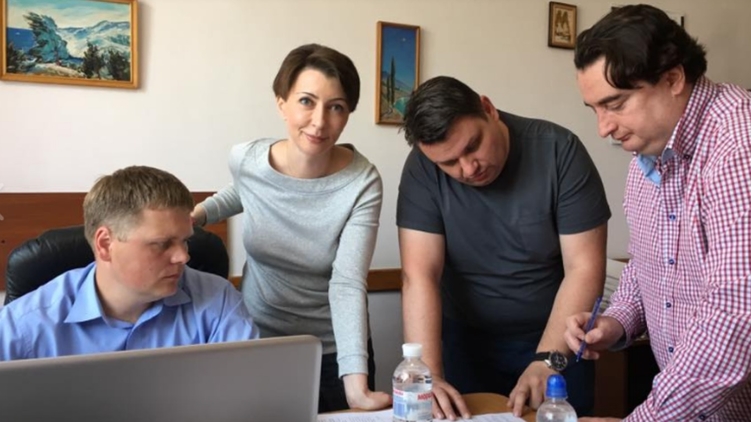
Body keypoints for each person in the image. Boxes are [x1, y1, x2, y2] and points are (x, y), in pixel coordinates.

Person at [565, 4, 751, 422]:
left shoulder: (739, 144)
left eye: (615, 104)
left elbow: (736, 315)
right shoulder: (647, 157)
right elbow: (646, 264)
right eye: (594, 109)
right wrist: (616, 322)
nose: (603, 128)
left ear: (673, 79)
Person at [397, 75, 611, 419]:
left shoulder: (560, 151)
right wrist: (429, 373)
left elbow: (584, 268)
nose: (468, 169)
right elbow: (419, 274)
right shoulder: (422, 168)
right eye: (449, 163)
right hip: (464, 341)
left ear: (488, 109)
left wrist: (547, 360)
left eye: (473, 146)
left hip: (555, 336)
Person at [191, 44, 389, 413]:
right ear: (281, 103)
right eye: (306, 102)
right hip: (256, 338)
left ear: (348, 115)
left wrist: (355, 384)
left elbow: (347, 281)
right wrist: (198, 215)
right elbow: (244, 190)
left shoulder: (362, 182)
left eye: (336, 107)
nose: (319, 121)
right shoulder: (247, 159)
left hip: (334, 350)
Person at [0, 166, 259, 361]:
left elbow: (247, 397)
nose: (183, 256)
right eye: (162, 244)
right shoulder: (23, 326)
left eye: (185, 241)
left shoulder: (218, 302)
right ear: (105, 244)